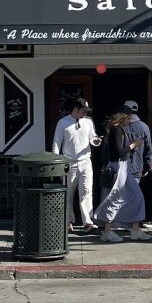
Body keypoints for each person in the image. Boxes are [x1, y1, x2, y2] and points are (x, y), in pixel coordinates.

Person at [93, 111, 152, 242]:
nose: (130, 121)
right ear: (122, 119)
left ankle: (135, 229)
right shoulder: (117, 131)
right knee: (115, 199)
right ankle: (108, 230)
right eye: (128, 118)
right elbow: (118, 152)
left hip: (123, 167)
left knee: (135, 197)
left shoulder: (117, 130)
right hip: (119, 168)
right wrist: (133, 145)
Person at [51, 97, 102, 233]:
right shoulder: (63, 123)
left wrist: (96, 141)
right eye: (83, 110)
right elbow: (57, 143)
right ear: (75, 109)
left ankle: (88, 221)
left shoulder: (88, 122)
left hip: (86, 161)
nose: (85, 113)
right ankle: (67, 221)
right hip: (69, 162)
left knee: (86, 191)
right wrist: (57, 163)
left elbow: (92, 136)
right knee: (68, 193)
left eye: (86, 110)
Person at [121, 100, 152, 181]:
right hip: (137, 168)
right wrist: (147, 166)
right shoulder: (144, 127)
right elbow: (148, 148)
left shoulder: (120, 125)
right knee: (134, 193)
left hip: (121, 167)